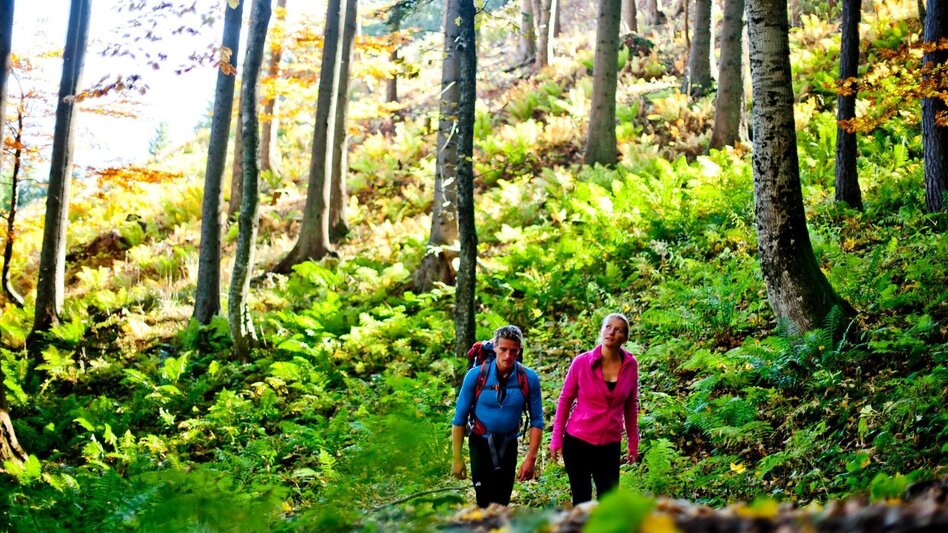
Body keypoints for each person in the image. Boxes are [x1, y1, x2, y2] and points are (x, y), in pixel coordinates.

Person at [549, 313, 639, 505]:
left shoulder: (631, 366)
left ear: (625, 338)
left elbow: (631, 405)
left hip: (609, 445)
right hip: (578, 442)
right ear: (601, 330)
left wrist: (633, 442)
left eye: (618, 330)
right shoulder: (582, 362)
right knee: (582, 501)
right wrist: (556, 438)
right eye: (608, 327)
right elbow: (565, 400)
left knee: (608, 503)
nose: (611, 332)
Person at [451, 325, 544, 508]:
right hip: (480, 443)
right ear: (494, 347)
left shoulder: (529, 379)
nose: (508, 356)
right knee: (484, 500)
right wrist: (456, 458)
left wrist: (531, 459)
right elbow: (459, 418)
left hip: (508, 445)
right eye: (503, 349)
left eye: (513, 351)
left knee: (501, 502)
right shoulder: (476, 376)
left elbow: (537, 421)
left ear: (519, 350)